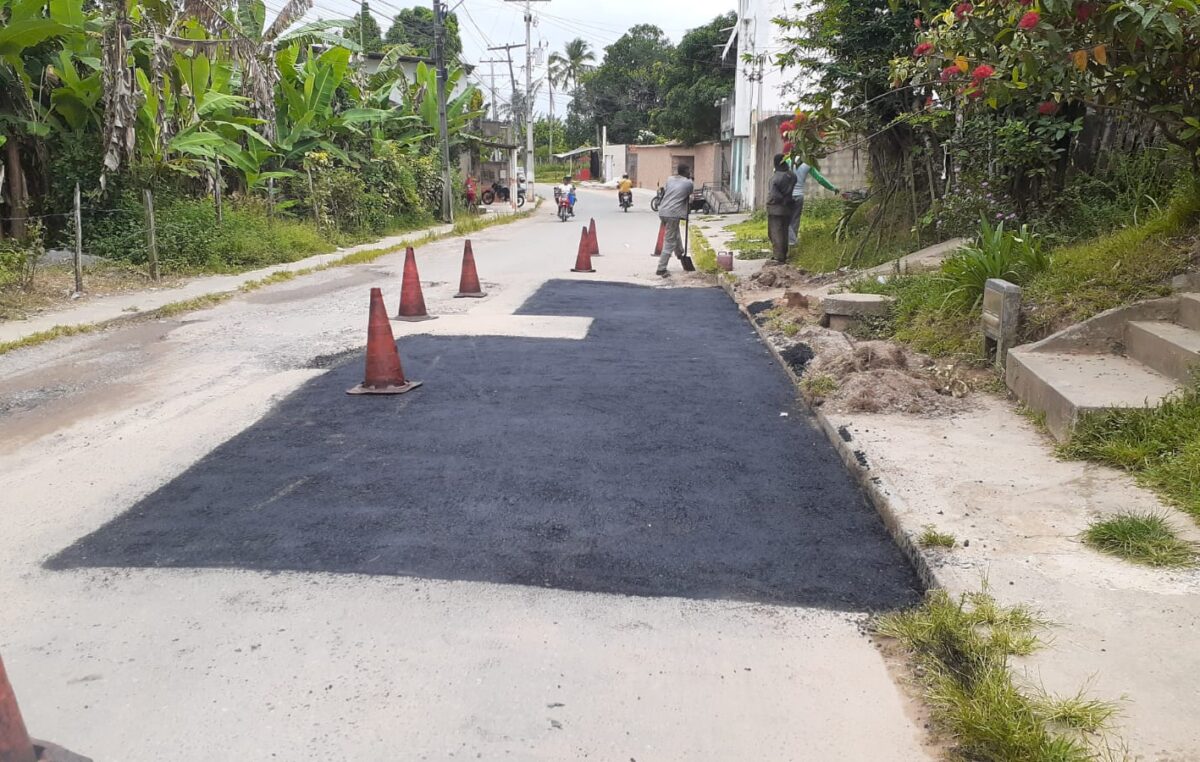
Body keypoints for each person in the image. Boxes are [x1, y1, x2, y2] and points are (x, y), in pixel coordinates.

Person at [786, 159, 839, 246]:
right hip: (799, 196)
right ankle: (792, 245)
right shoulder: (808, 163)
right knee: (795, 221)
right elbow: (819, 178)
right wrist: (832, 188)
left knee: (785, 220)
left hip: (787, 195)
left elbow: (777, 174)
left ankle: (790, 242)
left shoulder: (787, 161)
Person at [655, 164, 694, 277]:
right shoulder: (689, 183)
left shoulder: (670, 179)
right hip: (673, 213)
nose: (690, 172)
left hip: (663, 211)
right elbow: (689, 196)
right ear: (686, 171)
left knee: (674, 232)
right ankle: (661, 268)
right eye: (689, 170)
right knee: (670, 241)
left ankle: (680, 253)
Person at [765, 154, 797, 263]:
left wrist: (781, 199)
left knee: (775, 232)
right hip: (788, 207)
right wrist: (786, 200)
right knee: (784, 231)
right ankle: (784, 253)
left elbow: (774, 195)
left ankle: (779, 256)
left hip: (775, 208)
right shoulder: (792, 175)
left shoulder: (775, 178)